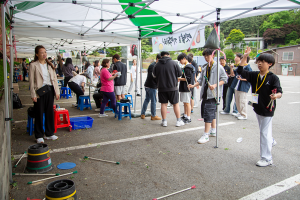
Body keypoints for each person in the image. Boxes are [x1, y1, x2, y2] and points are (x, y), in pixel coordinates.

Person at [237, 47, 282, 167]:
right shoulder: (254, 75)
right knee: (264, 131)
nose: (259, 63)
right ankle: (270, 140)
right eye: (258, 61)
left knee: (263, 133)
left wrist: (275, 96)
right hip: (257, 108)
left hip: (268, 109)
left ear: (270, 64)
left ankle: (267, 158)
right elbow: (240, 71)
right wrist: (245, 56)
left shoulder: (273, 77)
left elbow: (279, 92)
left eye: (262, 61)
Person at [189, 48, 227, 144]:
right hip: (206, 94)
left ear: (213, 55)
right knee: (211, 112)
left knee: (208, 114)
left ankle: (206, 135)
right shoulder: (205, 67)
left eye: (208, 55)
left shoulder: (218, 66)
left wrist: (215, 85)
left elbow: (225, 79)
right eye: (205, 56)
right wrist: (193, 85)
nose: (206, 57)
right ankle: (213, 130)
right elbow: (201, 80)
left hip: (214, 94)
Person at [29, 45, 60, 144]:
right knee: (39, 112)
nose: (44, 54)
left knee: (49, 112)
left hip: (50, 90)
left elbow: (54, 79)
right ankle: (39, 135)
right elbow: (31, 81)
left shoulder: (50, 65)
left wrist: (57, 92)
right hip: (39, 91)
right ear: (37, 54)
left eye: (45, 52)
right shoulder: (33, 65)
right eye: (41, 52)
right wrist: (33, 94)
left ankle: (49, 133)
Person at [152, 51, 185, 127]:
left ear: (161, 56)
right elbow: (180, 74)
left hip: (161, 88)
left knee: (163, 104)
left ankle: (164, 121)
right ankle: (178, 121)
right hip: (173, 87)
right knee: (175, 104)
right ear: (168, 55)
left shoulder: (157, 65)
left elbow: (154, 75)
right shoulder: (174, 63)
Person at [141, 54, 161, 120]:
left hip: (148, 85)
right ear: (157, 59)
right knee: (153, 101)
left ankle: (143, 114)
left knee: (147, 99)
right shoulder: (154, 66)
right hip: (152, 86)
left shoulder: (152, 65)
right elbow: (153, 76)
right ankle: (153, 115)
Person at [231, 55, 252, 120]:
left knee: (242, 101)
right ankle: (240, 112)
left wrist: (241, 79)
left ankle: (244, 114)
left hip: (243, 87)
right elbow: (233, 74)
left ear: (245, 60)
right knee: (237, 101)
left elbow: (250, 78)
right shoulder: (240, 67)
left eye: (242, 59)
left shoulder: (248, 68)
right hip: (237, 86)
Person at [177, 53, 194, 124]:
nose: (180, 62)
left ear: (184, 58)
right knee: (185, 102)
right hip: (185, 87)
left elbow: (188, 79)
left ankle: (188, 117)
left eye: (180, 60)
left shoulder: (188, 67)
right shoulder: (186, 66)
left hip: (187, 87)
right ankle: (185, 115)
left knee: (187, 103)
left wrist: (179, 79)